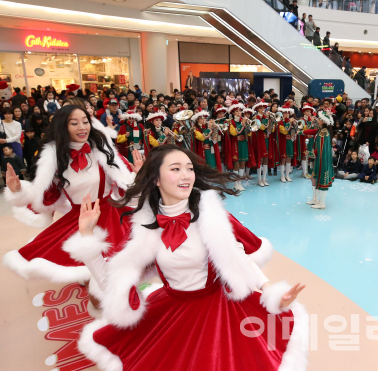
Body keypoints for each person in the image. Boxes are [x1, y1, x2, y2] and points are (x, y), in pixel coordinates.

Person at [72, 145, 308, 371]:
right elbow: (115, 284)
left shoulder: (211, 217)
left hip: (220, 314)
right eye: (175, 169)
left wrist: (269, 291)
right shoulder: (145, 228)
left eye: (189, 168)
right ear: (156, 178)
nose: (186, 175)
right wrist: (87, 238)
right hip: (172, 316)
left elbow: (238, 259)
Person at [2, 105, 140, 298]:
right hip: (80, 220)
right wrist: (18, 191)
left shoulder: (103, 150)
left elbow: (125, 180)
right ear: (62, 127)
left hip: (111, 215)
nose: (82, 127)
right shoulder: (54, 160)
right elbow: (47, 197)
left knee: (114, 274)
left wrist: (138, 173)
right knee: (90, 275)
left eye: (85, 121)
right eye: (74, 123)